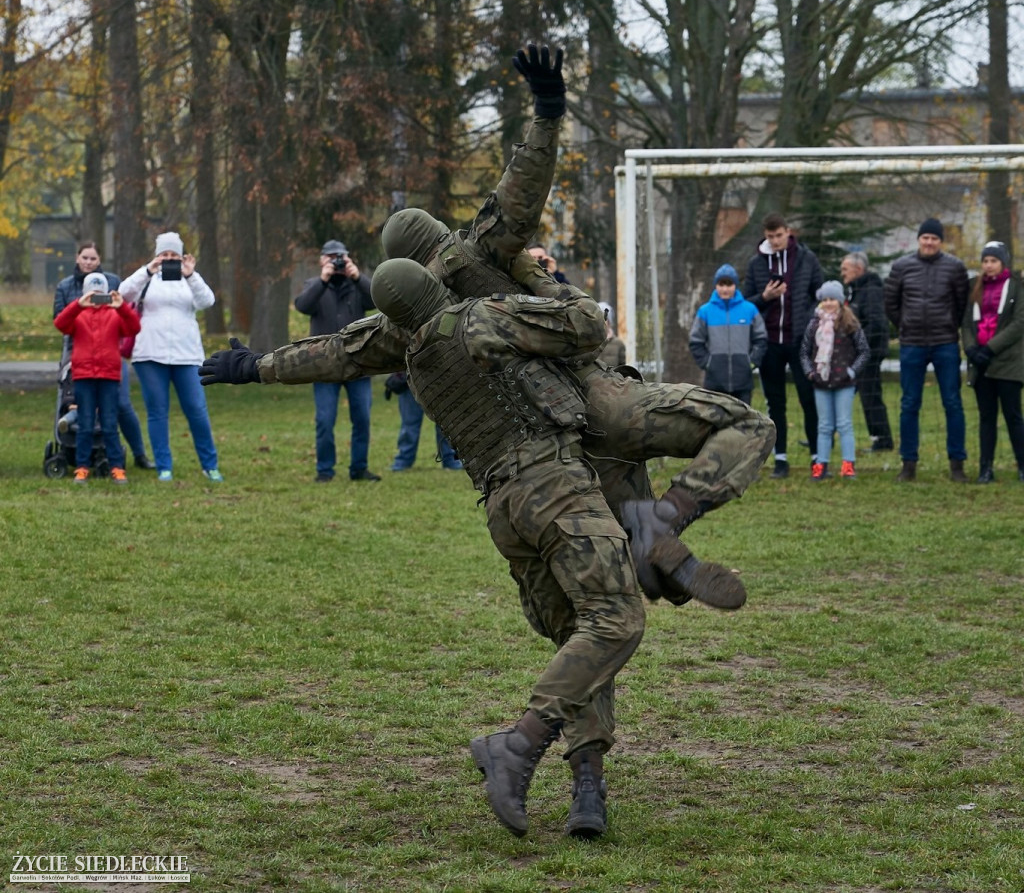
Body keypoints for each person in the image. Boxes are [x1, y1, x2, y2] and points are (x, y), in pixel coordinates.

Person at [202, 43, 773, 609]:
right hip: (597, 397)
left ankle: (649, 557)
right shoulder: (481, 252)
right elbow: (521, 190)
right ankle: (665, 521)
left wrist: (253, 366)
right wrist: (548, 112)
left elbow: (336, 351)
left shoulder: (406, 323)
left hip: (541, 445)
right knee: (744, 427)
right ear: (437, 235)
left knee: (620, 575)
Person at [372, 256, 645, 840]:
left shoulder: (415, 356)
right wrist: (532, 274)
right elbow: (587, 324)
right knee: (615, 621)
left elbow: (336, 351)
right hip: (554, 487)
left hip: (503, 508)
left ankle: (588, 788)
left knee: (583, 639)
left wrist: (254, 367)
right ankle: (516, 748)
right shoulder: (481, 318)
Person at [119, 231, 222, 483]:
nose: (169, 259)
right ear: (156, 256)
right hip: (150, 355)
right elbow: (122, 294)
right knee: (157, 412)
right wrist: (147, 269)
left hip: (187, 355)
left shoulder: (189, 279)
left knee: (197, 409)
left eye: (173, 255)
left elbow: (207, 301)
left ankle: (210, 465)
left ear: (181, 256)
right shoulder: (148, 278)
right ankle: (164, 466)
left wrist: (191, 274)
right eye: (164, 254)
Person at [53, 241, 154, 469]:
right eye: (85, 257)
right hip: (78, 351)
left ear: (99, 261)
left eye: (93, 258)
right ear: (77, 258)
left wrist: (117, 305)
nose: (88, 262)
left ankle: (137, 454)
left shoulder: (112, 283)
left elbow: (130, 323)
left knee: (121, 406)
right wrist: (79, 304)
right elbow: (59, 320)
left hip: (109, 355)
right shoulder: (66, 287)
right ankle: (78, 453)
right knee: (76, 403)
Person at [884, 218, 970, 482]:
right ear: (919, 240)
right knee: (909, 404)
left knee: (953, 403)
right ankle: (908, 463)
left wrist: (947, 325)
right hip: (912, 344)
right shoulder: (901, 267)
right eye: (925, 238)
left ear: (940, 241)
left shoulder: (955, 267)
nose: (929, 242)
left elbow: (961, 303)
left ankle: (957, 464)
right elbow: (891, 303)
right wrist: (906, 325)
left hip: (945, 343)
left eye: (934, 238)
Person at [744, 213, 824, 478]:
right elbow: (747, 302)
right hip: (770, 343)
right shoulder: (756, 263)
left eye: (779, 235)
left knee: (808, 397)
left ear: (788, 232)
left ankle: (817, 457)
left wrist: (808, 317)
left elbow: (819, 293)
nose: (776, 240)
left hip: (800, 341)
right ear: (765, 236)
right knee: (775, 402)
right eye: (770, 236)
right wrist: (765, 297)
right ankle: (781, 459)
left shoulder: (806, 258)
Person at [294, 240, 379, 483]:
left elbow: (376, 299)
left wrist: (357, 276)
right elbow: (302, 305)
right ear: (322, 260)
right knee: (324, 419)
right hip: (324, 363)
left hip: (357, 363)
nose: (336, 262)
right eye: (331, 257)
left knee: (362, 418)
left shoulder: (356, 285)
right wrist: (323, 279)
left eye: (340, 257)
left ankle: (359, 468)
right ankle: (325, 470)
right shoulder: (314, 285)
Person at [53, 273, 140, 485]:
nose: (97, 297)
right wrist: (78, 305)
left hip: (109, 375)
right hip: (83, 376)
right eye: (93, 293)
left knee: (110, 423)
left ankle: (116, 466)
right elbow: (60, 324)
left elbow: (134, 328)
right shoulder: (78, 314)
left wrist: (121, 307)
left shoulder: (115, 313)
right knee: (85, 424)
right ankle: (82, 467)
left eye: (101, 293)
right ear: (85, 292)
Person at [961, 241, 1024, 483]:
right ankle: (985, 468)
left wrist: (991, 347)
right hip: (981, 363)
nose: (989, 266)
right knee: (986, 417)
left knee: (1013, 415)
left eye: (993, 261)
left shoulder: (1016, 288)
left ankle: (1021, 464)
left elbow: (1018, 324)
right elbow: (967, 322)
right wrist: (971, 348)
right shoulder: (974, 287)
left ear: (1003, 263)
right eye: (985, 261)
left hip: (1007, 362)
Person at [799, 281, 870, 480]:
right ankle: (821, 465)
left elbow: (863, 351)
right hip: (820, 383)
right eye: (825, 300)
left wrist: (852, 372)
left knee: (845, 424)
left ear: (840, 301)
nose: (829, 303)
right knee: (824, 425)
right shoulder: (814, 325)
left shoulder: (850, 324)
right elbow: (804, 352)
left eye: (832, 299)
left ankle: (848, 465)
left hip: (844, 383)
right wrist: (810, 373)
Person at [689, 264, 767, 405]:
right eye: (721, 284)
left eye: (729, 284)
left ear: (736, 285)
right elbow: (696, 341)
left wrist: (751, 362)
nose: (725, 289)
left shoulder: (749, 310)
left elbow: (761, 339)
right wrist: (708, 363)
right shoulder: (705, 311)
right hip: (715, 381)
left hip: (743, 381)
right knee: (716, 424)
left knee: (743, 423)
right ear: (716, 285)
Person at [840, 252, 893, 452]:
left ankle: (882, 439)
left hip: (870, 352)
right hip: (863, 352)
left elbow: (877, 323)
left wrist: (858, 344)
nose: (842, 273)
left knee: (870, 394)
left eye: (845, 269)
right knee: (857, 394)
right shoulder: (857, 290)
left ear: (858, 269)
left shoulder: (870, 291)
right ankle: (824, 434)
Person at [384, 371, 462, 471]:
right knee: (409, 425)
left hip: (440, 378)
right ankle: (403, 461)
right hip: (409, 379)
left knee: (445, 424)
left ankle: (450, 460)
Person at [596, 301, 626, 367]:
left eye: (604, 319)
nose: (601, 322)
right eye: (598, 319)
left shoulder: (618, 344)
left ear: (609, 322)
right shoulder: (587, 342)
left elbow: (622, 370)